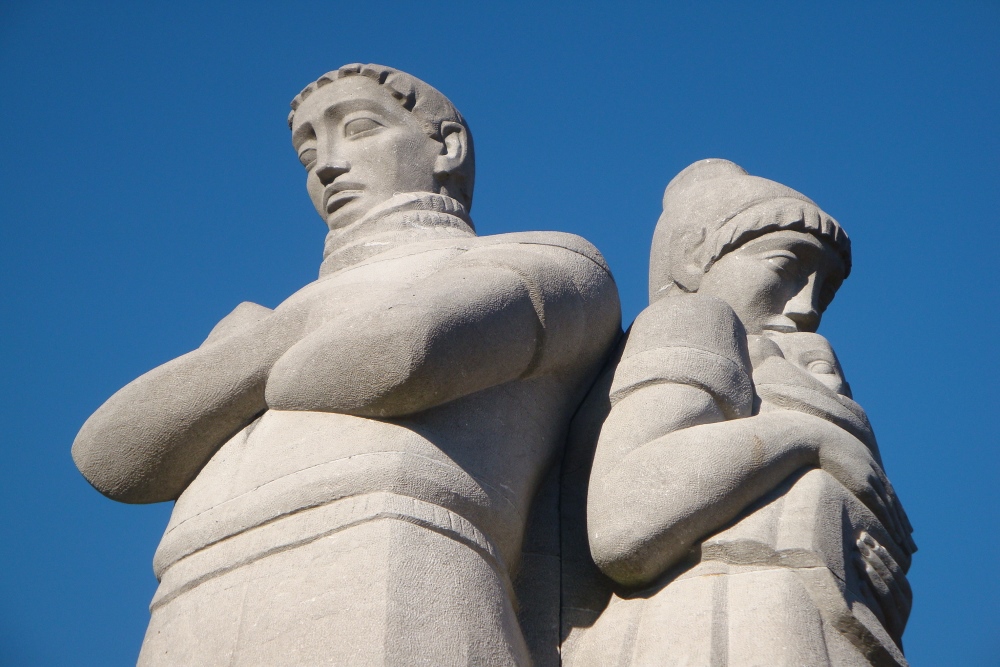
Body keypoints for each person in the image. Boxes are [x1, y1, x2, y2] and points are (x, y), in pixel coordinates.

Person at [72, 63, 621, 666]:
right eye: (308, 156)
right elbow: (110, 454)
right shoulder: (283, 319)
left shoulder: (548, 259)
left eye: (358, 129)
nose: (327, 166)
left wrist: (244, 357)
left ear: (446, 146)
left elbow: (396, 356)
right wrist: (290, 338)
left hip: (397, 559)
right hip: (193, 584)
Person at [568, 159, 914, 666]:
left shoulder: (796, 366)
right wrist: (808, 436)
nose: (807, 307)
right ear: (691, 259)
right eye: (785, 266)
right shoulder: (694, 319)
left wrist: (879, 587)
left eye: (824, 289)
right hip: (719, 623)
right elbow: (627, 518)